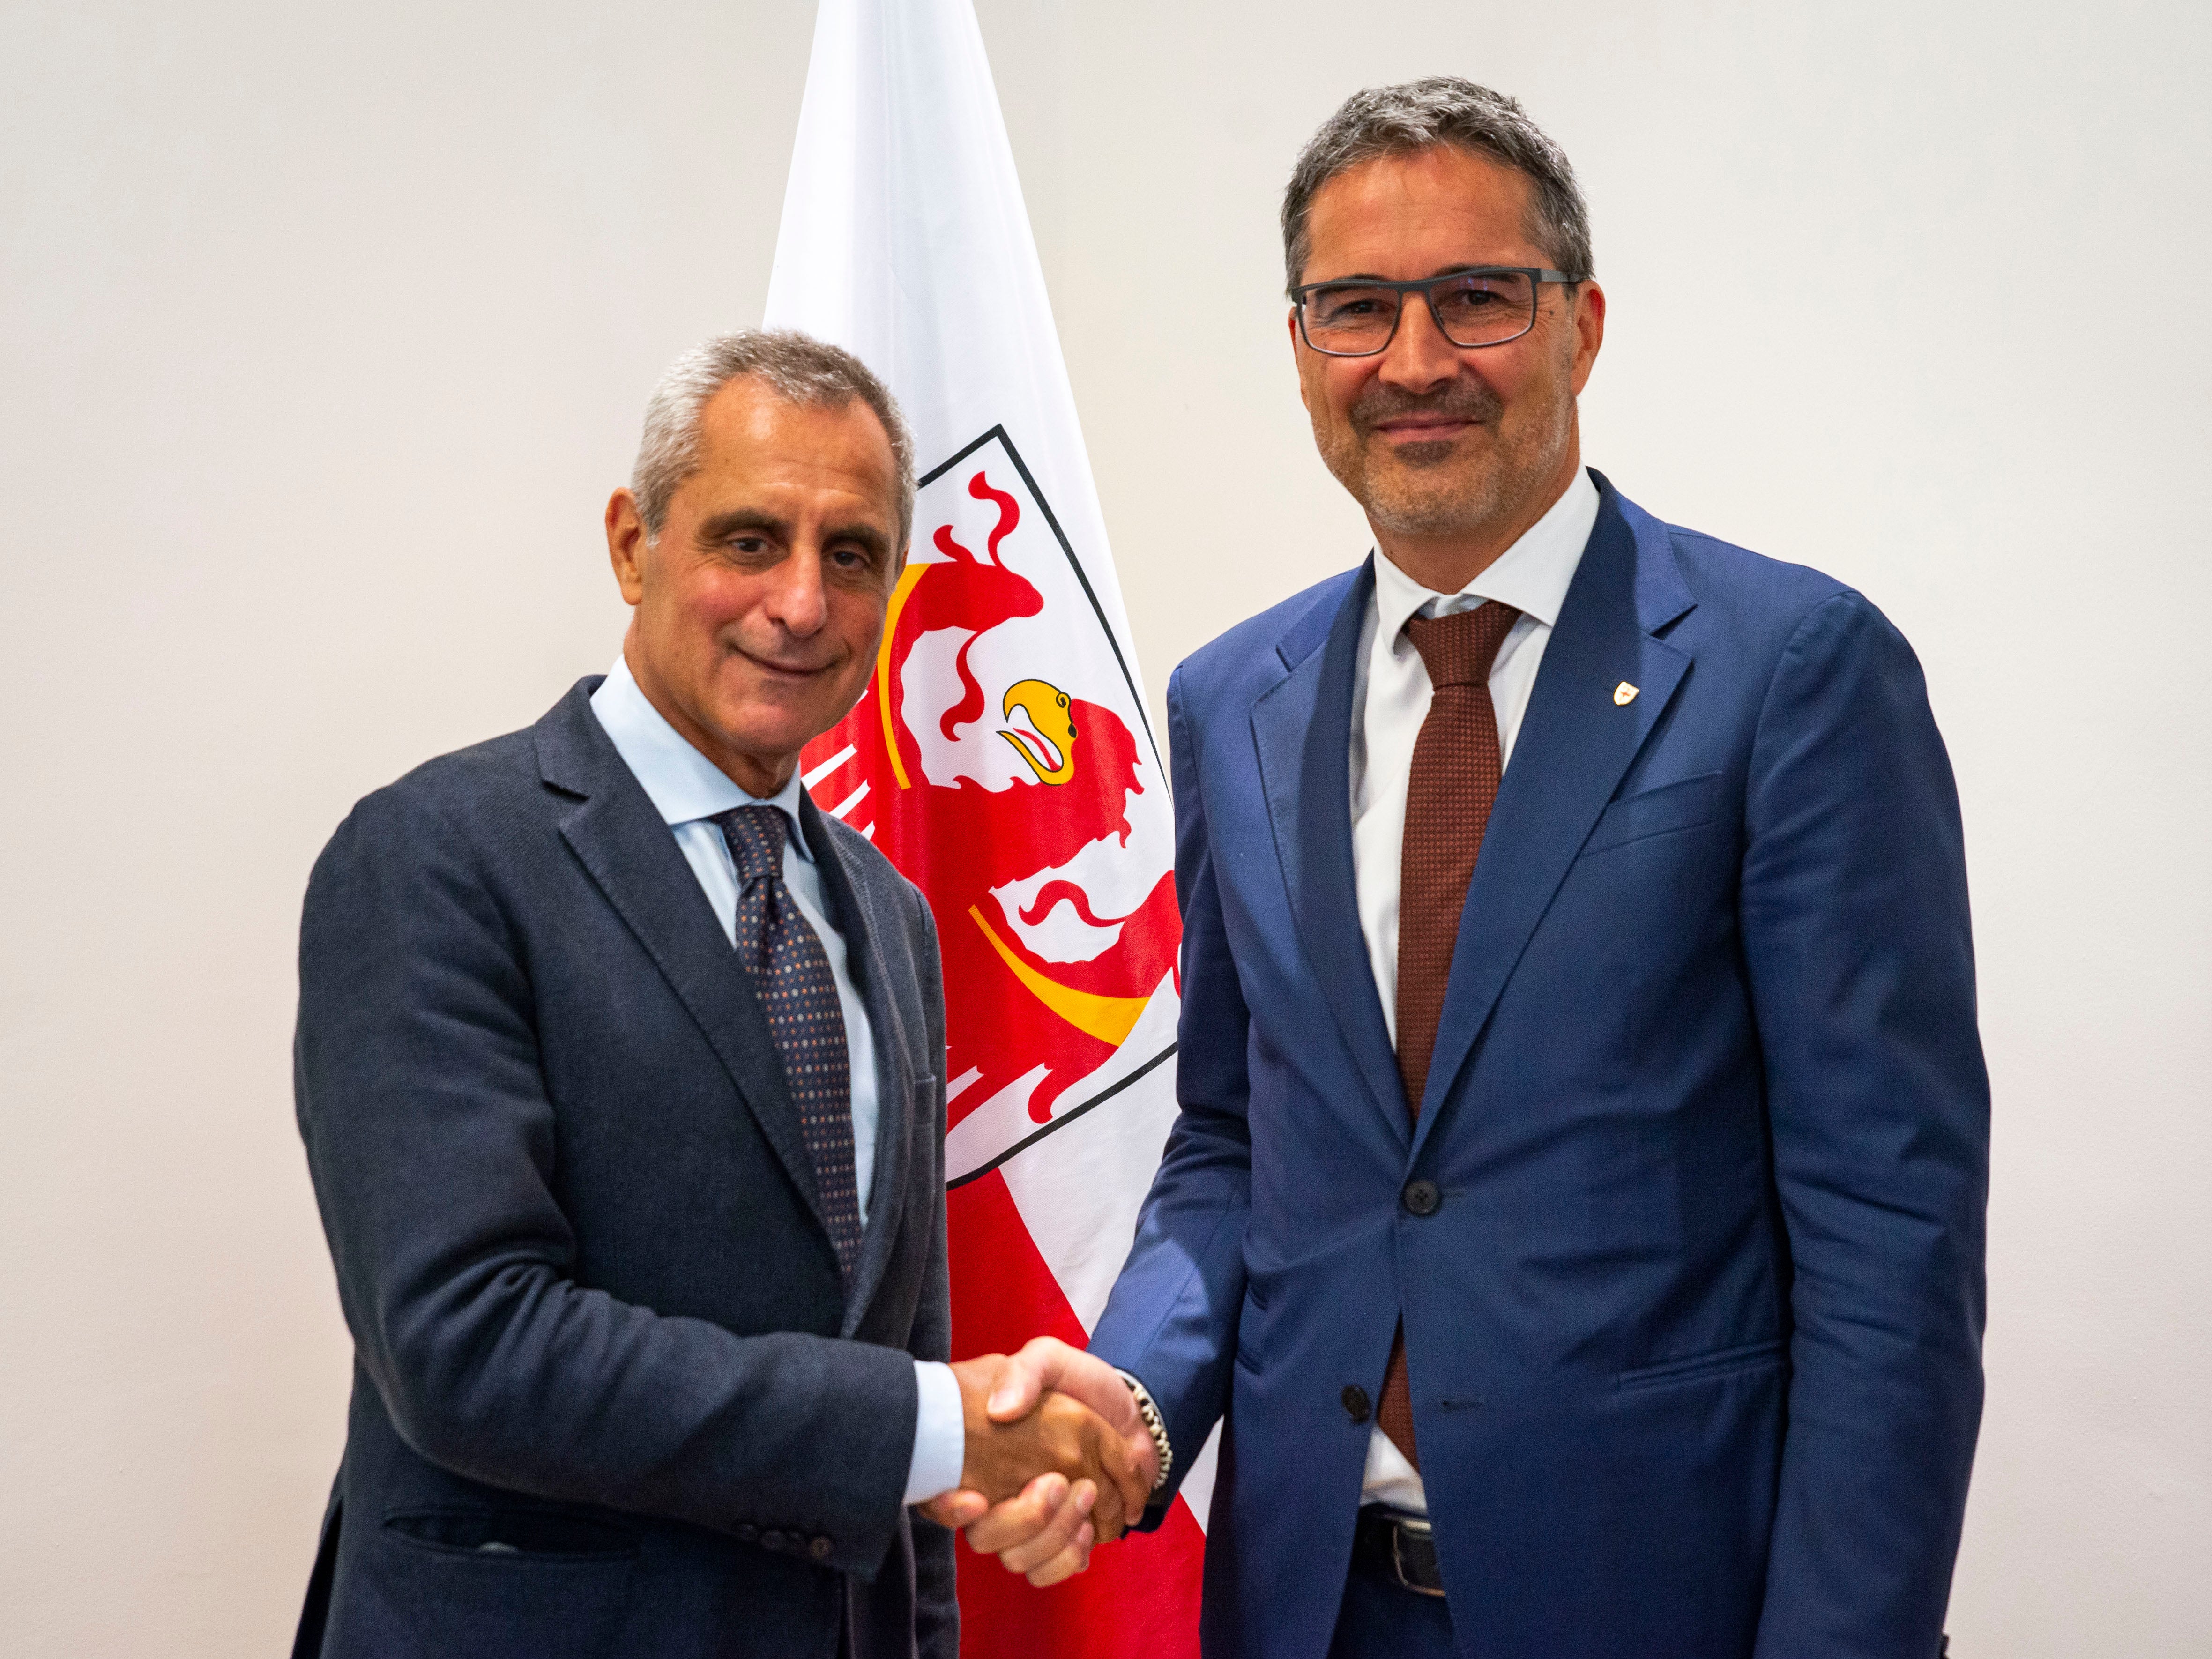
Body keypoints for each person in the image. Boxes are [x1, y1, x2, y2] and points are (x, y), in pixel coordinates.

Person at [940, 77, 1989, 1659]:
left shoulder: (1791, 672)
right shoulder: (1232, 702)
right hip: (1308, 1604)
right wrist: (1141, 1401)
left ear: (1580, 326)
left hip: (1663, 1605)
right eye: (1356, 309)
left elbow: (1888, 1239)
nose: (1414, 362)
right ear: (1301, 350)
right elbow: (1235, 1142)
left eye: (1475, 301)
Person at [289, 330, 1144, 1659]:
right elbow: (466, 1348)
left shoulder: (888, 912)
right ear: (634, 545)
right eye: (750, 541)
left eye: (850, 554)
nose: (801, 604)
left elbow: (898, 1346)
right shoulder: (437, 857)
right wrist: (933, 1425)